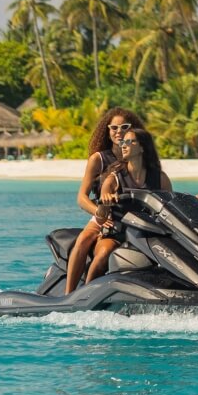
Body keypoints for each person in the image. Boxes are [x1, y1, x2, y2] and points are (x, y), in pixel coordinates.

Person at [61, 108, 147, 294]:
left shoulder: (139, 156)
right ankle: (69, 295)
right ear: (107, 131)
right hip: (104, 214)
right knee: (83, 240)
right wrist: (99, 214)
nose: (119, 131)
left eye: (124, 127)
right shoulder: (98, 159)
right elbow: (82, 198)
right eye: (113, 127)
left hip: (133, 218)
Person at [82, 126, 173, 286]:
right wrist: (105, 203)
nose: (123, 145)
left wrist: (196, 200)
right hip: (117, 234)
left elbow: (171, 207)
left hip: (148, 234)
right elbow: (101, 219)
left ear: (142, 147)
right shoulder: (113, 178)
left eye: (129, 142)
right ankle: (84, 294)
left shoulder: (160, 178)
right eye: (122, 142)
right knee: (104, 254)